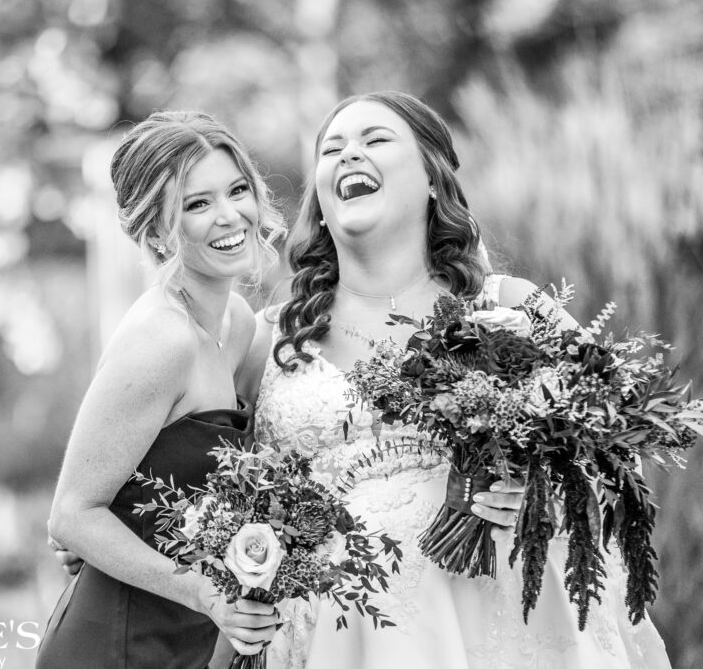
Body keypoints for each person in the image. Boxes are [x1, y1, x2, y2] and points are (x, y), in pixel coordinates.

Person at [241, 91, 672, 668]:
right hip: (340, 640)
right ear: (319, 199)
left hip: (508, 629)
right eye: (332, 149)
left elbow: (622, 442)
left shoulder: (512, 308)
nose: (348, 156)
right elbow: (191, 470)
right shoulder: (265, 340)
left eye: (375, 140)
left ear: (431, 180)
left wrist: (544, 495)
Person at [35, 110, 284, 669]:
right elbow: (72, 516)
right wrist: (203, 593)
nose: (230, 216)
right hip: (120, 643)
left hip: (191, 640)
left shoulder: (237, 324)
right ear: (153, 230)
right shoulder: (162, 339)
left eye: (237, 190)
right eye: (197, 204)